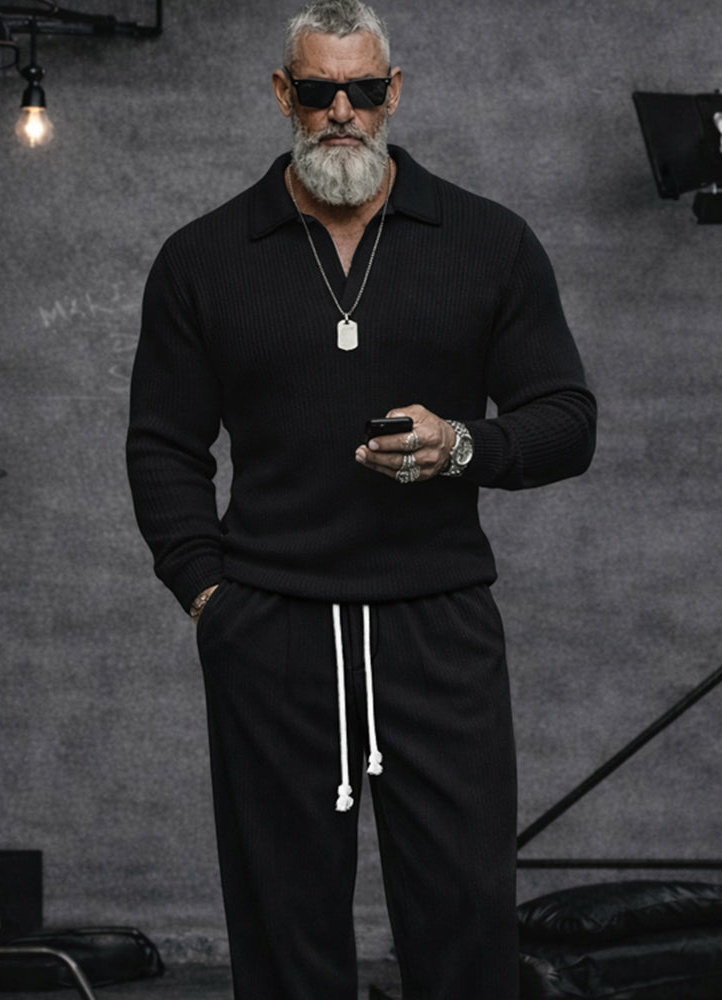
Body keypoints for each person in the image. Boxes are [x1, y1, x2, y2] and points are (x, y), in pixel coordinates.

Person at [126, 1, 597, 997]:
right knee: (283, 927)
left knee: (464, 921)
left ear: (394, 93)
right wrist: (209, 595)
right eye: (317, 91)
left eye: (364, 90)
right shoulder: (203, 256)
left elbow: (567, 421)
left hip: (438, 623)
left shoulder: (489, 240)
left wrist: (463, 444)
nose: (341, 111)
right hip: (272, 628)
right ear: (282, 95)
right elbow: (164, 445)